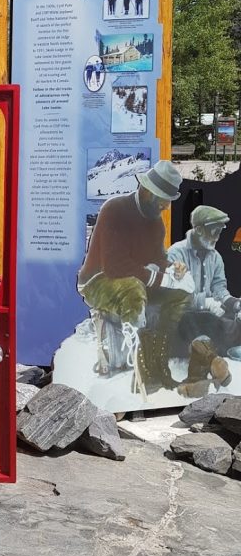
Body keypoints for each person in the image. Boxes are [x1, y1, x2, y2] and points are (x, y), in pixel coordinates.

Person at [77, 160, 192, 394]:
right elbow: (115, 267)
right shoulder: (115, 210)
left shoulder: (156, 223)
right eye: (164, 200)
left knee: (181, 294)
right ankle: (137, 368)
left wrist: (173, 268)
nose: (167, 207)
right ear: (149, 193)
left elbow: (156, 258)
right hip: (96, 281)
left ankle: (159, 359)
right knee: (134, 288)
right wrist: (161, 279)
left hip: (134, 278)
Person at [167, 205, 239, 394]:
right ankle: (213, 363)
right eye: (213, 231)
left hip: (206, 320)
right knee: (196, 318)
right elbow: (173, 295)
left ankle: (198, 375)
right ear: (199, 230)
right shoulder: (176, 253)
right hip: (179, 319)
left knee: (225, 321)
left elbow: (219, 288)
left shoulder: (216, 258)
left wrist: (234, 302)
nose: (216, 237)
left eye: (219, 232)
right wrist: (203, 302)